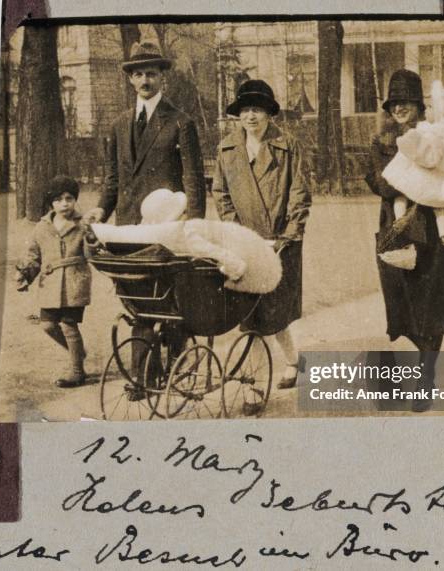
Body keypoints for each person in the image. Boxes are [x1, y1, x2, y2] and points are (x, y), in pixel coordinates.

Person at [83, 42, 206, 398]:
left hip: (167, 226)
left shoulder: (181, 122)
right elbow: (113, 180)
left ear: (162, 76)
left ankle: (174, 367)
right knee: (137, 299)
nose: (144, 80)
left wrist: (194, 223)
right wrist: (100, 211)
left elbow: (193, 180)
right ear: (130, 80)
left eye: (151, 72)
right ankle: (142, 377)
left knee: (169, 301)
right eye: (138, 74)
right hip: (128, 228)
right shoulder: (119, 124)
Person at [365, 69, 444, 413]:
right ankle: (414, 369)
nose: (399, 109)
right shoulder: (380, 142)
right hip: (396, 229)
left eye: (406, 102)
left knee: (432, 307)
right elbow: (382, 184)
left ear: (419, 106)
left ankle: (426, 377)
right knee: (402, 306)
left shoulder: (438, 136)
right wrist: (417, 176)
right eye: (394, 104)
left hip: (435, 233)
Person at [212, 79, 311, 403]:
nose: (251, 116)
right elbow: (221, 194)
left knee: (275, 311)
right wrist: (237, 231)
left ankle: (293, 360)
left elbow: (299, 192)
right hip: (245, 242)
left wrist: (290, 232)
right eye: (245, 110)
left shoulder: (288, 145)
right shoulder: (227, 149)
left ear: (269, 114)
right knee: (250, 314)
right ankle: (254, 386)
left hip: (280, 241)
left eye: (257, 109)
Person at [91, 188, 283, 294]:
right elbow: (217, 253)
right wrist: (235, 270)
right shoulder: (186, 232)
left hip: (153, 293)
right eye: (183, 212)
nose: (187, 214)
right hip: (196, 284)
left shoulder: (150, 236)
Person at [382, 80, 444, 249]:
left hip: (432, 181)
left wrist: (410, 147)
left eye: (431, 107)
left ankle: (399, 220)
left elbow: (430, 159)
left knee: (401, 191)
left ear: (441, 112)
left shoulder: (434, 132)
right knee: (442, 208)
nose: (427, 110)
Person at [16, 176, 93, 388]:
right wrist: (25, 275)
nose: (64, 203)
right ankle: (78, 353)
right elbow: (33, 255)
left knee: (69, 326)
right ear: (51, 203)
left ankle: (77, 370)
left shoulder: (83, 224)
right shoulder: (42, 227)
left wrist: (92, 238)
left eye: (69, 198)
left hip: (74, 282)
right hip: (49, 284)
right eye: (59, 199)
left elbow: (91, 254)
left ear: (75, 200)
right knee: (48, 326)